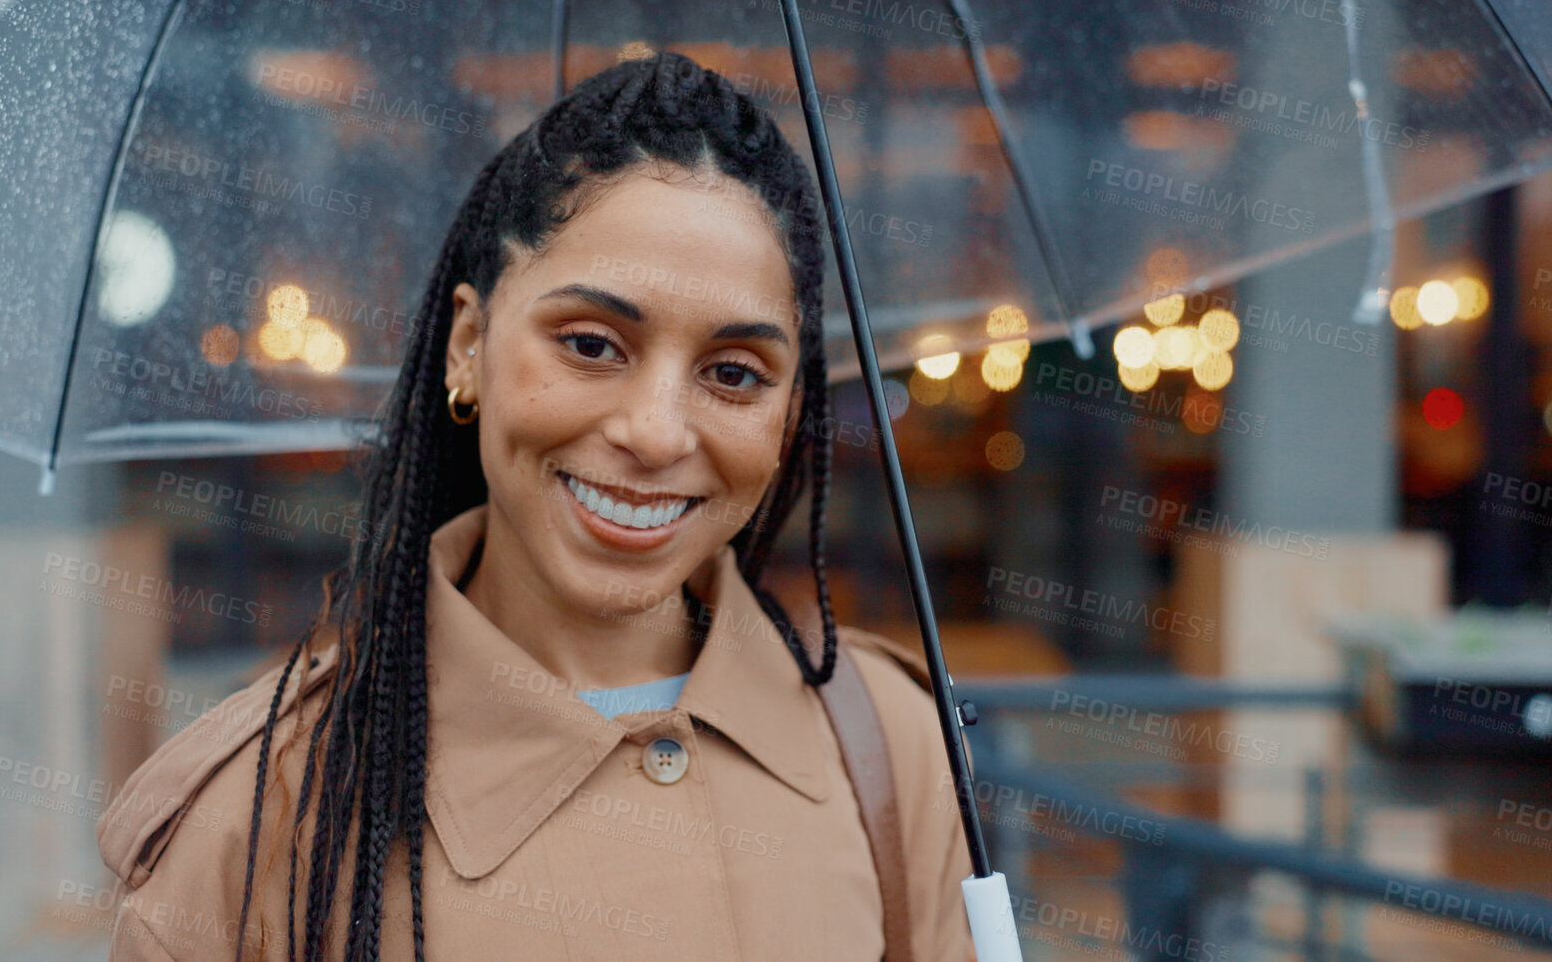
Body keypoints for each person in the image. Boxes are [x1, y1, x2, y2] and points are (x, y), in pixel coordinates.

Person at [96, 48, 976, 961]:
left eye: (732, 373)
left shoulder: (887, 744)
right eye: (592, 344)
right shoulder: (261, 813)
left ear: (790, 410)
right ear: (468, 343)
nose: (657, 432)